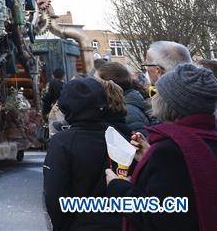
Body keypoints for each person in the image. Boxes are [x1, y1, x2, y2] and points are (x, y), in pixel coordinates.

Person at [106, 64, 217, 231]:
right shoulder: (205, 138)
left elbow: (158, 216)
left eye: (156, 92)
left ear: (170, 104)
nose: (152, 97)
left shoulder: (170, 150)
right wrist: (148, 157)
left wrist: (117, 187)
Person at [43, 77, 122, 230]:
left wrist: (61, 226)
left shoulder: (62, 142)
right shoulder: (118, 137)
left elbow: (54, 196)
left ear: (66, 106)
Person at [97, 61, 152, 135]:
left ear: (108, 85)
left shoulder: (127, 111)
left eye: (98, 82)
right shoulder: (122, 106)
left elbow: (143, 141)